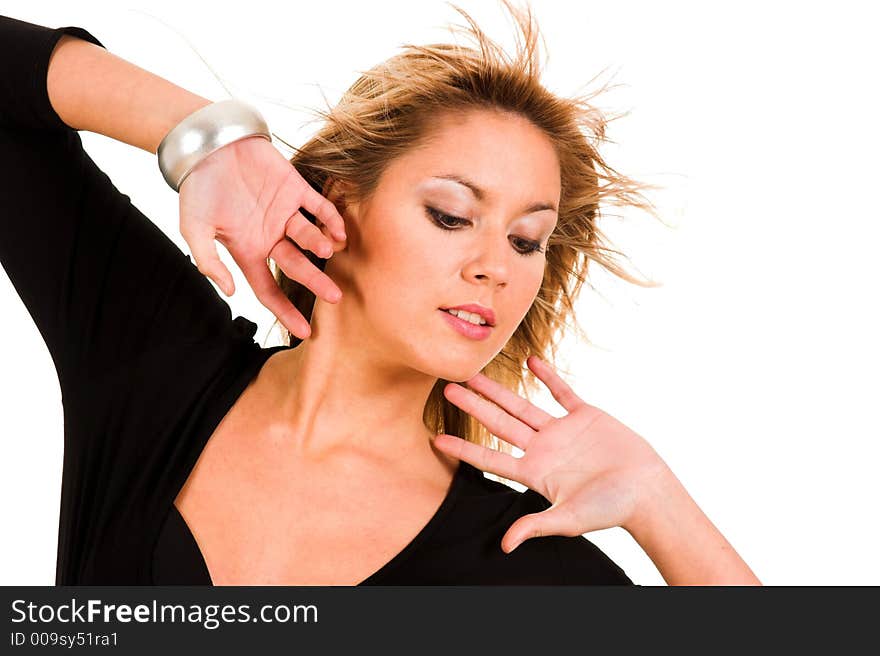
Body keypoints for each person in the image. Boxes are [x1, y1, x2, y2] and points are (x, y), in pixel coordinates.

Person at [0, 0, 760, 585]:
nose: (497, 265)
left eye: (528, 239)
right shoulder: (151, 363)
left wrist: (658, 502)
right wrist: (209, 137)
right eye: (452, 215)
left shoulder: (518, 561)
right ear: (338, 200)